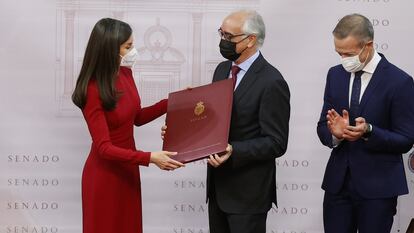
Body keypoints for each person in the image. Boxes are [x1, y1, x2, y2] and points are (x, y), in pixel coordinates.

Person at [161, 9, 289, 233]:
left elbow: (276, 142)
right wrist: (178, 131)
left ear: (251, 40)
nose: (223, 41)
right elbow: (212, 121)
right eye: (221, 34)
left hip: (249, 195)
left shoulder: (272, 81)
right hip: (218, 189)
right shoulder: (222, 70)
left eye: (229, 37)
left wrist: (233, 150)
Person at [72, 18, 184, 233]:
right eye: (128, 47)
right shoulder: (92, 89)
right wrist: (149, 158)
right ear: (109, 50)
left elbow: (137, 117)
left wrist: (174, 102)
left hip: (128, 171)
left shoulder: (125, 73)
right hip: (105, 176)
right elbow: (104, 148)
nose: (133, 51)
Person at [317, 13, 414, 233]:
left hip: (379, 189)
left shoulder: (400, 82)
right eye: (338, 53)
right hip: (337, 186)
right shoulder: (335, 75)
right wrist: (335, 133)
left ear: (368, 45)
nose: (343, 59)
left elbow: (406, 139)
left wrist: (369, 131)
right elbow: (323, 125)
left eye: (348, 53)